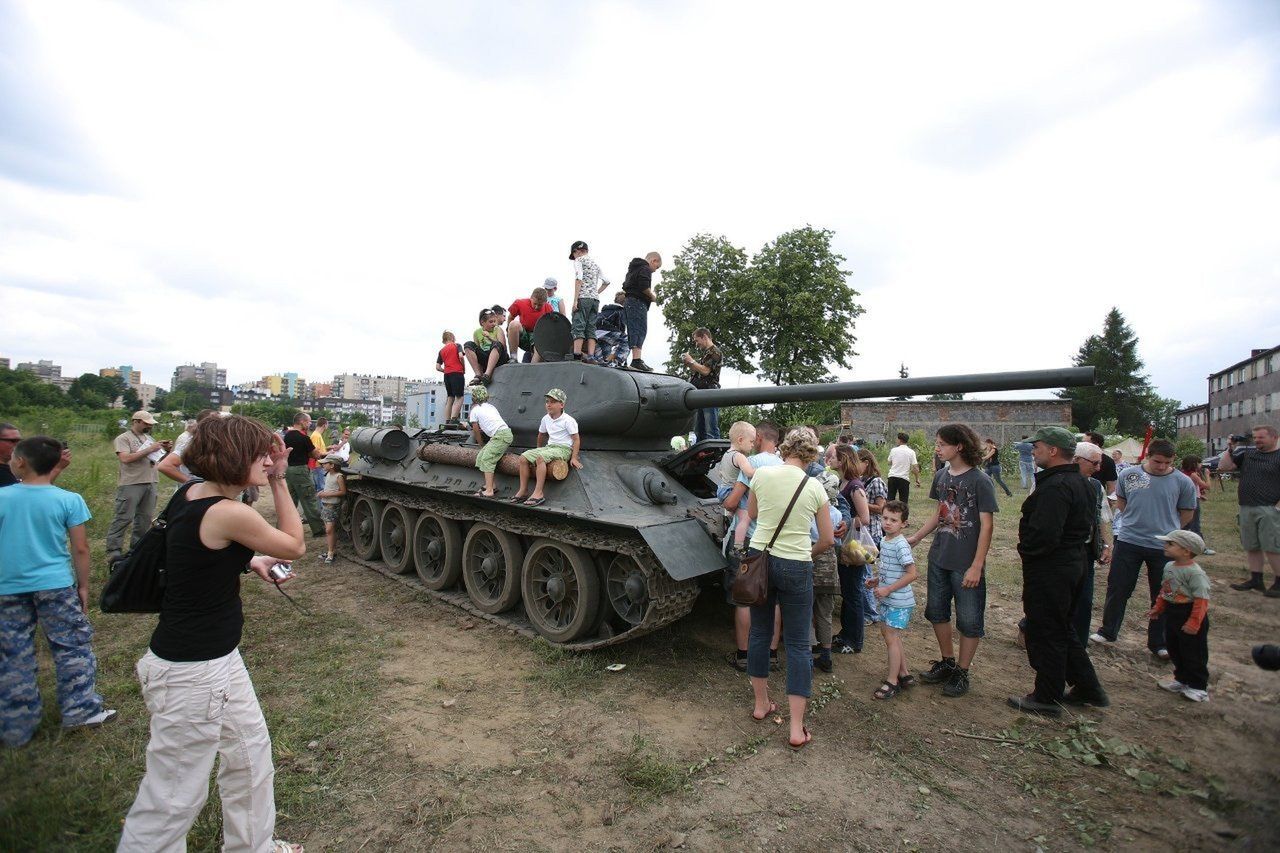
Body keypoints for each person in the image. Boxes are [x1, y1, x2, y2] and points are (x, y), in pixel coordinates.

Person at [117, 415, 305, 852]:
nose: (268, 459)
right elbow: (294, 544)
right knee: (173, 797)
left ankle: (253, 846)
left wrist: (246, 560)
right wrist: (279, 481)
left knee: (250, 756)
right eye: (260, 453)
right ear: (235, 456)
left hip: (217, 659)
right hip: (192, 673)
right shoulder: (228, 511)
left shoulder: (191, 493)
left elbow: (191, 552)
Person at [0, 436, 115, 747]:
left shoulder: (3, 497)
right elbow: (81, 548)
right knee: (72, 646)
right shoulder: (69, 499)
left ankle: (16, 725)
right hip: (54, 584)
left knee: (12, 652)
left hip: (7, 588)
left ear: (21, 463)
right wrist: (83, 586)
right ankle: (80, 710)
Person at [744, 428, 834, 750]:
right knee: (796, 643)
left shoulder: (762, 475)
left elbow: (752, 514)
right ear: (811, 456)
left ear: (784, 448)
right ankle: (796, 728)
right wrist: (802, 554)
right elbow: (826, 538)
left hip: (760, 560)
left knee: (759, 632)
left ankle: (761, 705)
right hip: (796, 563)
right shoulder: (814, 487)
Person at [1008, 427, 1106, 715]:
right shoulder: (1083, 483)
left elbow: (1044, 535)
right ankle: (1088, 686)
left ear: (1052, 450)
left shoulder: (1056, 486)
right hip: (1073, 564)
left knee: (1045, 630)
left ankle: (1047, 696)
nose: (1033, 451)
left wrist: (1027, 552)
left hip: (1051, 568)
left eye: (1036, 446)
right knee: (1062, 628)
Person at [907, 424, 997, 698]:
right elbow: (940, 513)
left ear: (959, 446)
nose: (937, 448)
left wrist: (977, 565)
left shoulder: (981, 481)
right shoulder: (942, 476)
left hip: (965, 562)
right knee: (936, 612)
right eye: (937, 443)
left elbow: (987, 525)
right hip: (939, 557)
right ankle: (947, 662)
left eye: (942, 443)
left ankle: (962, 670)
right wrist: (917, 538)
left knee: (969, 621)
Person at [1092, 439, 1197, 657]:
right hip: (1129, 541)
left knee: (1162, 593)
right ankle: (1108, 631)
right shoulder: (1129, 475)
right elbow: (1121, 501)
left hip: (1164, 547)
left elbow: (1187, 513)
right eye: (1158, 461)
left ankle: (1159, 643)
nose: (1162, 466)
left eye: (1167, 462)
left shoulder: (1182, 482)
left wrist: (1169, 529)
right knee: (1118, 587)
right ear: (1148, 456)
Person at [721, 422, 784, 671]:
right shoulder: (784, 466)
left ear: (757, 438)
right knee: (773, 598)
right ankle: (771, 654)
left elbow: (731, 502)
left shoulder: (754, 463)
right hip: (775, 538)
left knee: (745, 598)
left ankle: (744, 655)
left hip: (749, 538)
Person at [1147, 530, 1211, 702]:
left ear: (1186, 551)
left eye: (1170, 544)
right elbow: (1166, 590)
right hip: (1172, 613)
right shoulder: (1169, 567)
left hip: (1189, 613)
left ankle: (1198, 687)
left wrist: (1194, 622)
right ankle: (1182, 679)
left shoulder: (1195, 573)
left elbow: (1201, 600)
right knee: (1175, 648)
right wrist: (1158, 608)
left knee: (1194, 651)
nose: (1165, 546)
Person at [1218, 425, 1280, 596]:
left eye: (1261, 437)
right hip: (1246, 506)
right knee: (1251, 544)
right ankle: (1256, 579)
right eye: (1255, 437)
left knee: (1272, 546)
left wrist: (1278, 508)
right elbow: (1224, 467)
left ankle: (1278, 582)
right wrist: (1229, 447)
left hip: (1270, 508)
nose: (1257, 440)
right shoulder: (1247, 453)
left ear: (1274, 437)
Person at [105, 411, 171, 563]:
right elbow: (125, 458)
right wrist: (149, 449)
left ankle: (137, 549)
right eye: (146, 423)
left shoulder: (149, 439)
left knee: (145, 519)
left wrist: (166, 450)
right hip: (131, 482)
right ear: (136, 421)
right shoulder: (123, 438)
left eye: (150, 424)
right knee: (124, 517)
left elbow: (159, 459)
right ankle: (114, 551)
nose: (149, 426)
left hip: (151, 481)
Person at [868, 500, 917, 699]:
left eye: (894, 520)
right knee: (892, 637)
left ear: (903, 523)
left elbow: (912, 573)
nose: (887, 523)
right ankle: (904, 674)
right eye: (885, 518)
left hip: (899, 600)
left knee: (891, 637)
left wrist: (888, 589)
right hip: (889, 598)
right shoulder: (885, 541)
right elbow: (892, 570)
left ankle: (892, 681)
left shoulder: (900, 545)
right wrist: (878, 580)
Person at [832, 446, 874, 655]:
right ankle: (845, 633)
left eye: (833, 456)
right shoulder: (843, 483)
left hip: (853, 548)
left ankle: (855, 640)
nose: (828, 459)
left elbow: (865, 518)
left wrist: (846, 524)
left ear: (842, 460)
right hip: (845, 546)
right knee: (848, 592)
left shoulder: (855, 486)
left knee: (853, 594)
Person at [510, 389, 581, 507]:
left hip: (564, 449)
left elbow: (576, 439)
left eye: (553, 402)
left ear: (562, 404)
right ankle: (523, 491)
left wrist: (574, 457)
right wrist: (538, 449)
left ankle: (538, 493)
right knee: (523, 458)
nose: (549, 404)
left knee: (540, 458)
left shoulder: (568, 420)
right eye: (547, 401)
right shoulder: (545, 418)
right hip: (550, 447)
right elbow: (541, 435)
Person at [716, 422, 758, 555]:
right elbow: (749, 472)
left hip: (723, 489)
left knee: (736, 515)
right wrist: (764, 469)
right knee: (745, 517)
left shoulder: (726, 454)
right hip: (731, 491)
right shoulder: (739, 456)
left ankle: (727, 519)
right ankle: (738, 547)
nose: (753, 445)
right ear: (740, 440)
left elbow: (721, 472)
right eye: (751, 441)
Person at [283, 412, 326, 539]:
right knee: (309, 500)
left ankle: (283, 529)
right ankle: (318, 529)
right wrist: (323, 452)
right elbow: (315, 455)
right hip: (301, 470)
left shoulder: (287, 436)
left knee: (290, 501)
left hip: (289, 470)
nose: (309, 424)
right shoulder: (304, 438)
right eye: (308, 422)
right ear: (302, 422)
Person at [567, 241, 612, 362]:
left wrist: (575, 300)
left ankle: (576, 355)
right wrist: (596, 292)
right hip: (595, 300)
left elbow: (579, 278)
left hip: (583, 298)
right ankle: (591, 356)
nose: (574, 257)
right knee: (591, 327)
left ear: (577, 251)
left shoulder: (579, 261)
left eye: (574, 254)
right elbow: (607, 281)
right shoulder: (595, 264)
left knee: (579, 324)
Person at [467, 385, 513, 497]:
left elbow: (476, 430)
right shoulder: (491, 407)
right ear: (487, 397)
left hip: (501, 435)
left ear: (473, 398)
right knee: (481, 457)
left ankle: (489, 491)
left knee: (487, 459)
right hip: (501, 434)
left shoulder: (475, 410)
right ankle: (491, 485)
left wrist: (481, 443)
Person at [621, 251, 662, 372]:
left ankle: (636, 359)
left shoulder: (633, 269)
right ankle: (636, 360)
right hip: (637, 302)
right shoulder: (645, 268)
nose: (655, 270)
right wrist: (653, 297)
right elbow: (644, 287)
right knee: (639, 330)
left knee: (634, 329)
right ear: (653, 260)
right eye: (657, 266)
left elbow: (625, 285)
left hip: (630, 302)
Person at [0, 422, 70, 488]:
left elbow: (35, 488)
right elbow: (30, 494)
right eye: (12, 441)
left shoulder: (14, 467)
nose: (18, 445)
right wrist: (57, 468)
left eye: (20, 441)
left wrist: (57, 467)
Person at [158, 410, 219, 484]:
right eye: (215, 420)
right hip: (195, 491)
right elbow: (165, 466)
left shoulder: (213, 441)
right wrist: (191, 482)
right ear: (203, 423)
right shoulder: (191, 441)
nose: (220, 423)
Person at [683, 328, 723, 441]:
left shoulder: (715, 352)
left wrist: (691, 361)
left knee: (710, 429)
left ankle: (714, 454)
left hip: (709, 392)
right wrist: (690, 364)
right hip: (701, 392)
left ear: (704, 337)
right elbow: (699, 372)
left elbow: (706, 371)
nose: (696, 344)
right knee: (698, 429)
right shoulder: (707, 353)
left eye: (697, 340)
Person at [507, 287, 555, 363]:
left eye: (539, 305)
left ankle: (533, 367)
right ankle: (513, 358)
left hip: (538, 336)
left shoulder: (548, 308)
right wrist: (510, 332)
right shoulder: (520, 303)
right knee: (513, 324)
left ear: (545, 302)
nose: (536, 307)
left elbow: (551, 327)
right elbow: (510, 317)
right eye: (535, 303)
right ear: (531, 298)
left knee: (541, 344)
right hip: (524, 334)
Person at [464, 308, 509, 386]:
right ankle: (478, 375)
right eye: (491, 322)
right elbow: (476, 352)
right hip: (486, 356)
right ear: (482, 322)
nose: (494, 324)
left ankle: (487, 375)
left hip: (499, 356)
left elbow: (503, 346)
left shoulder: (497, 329)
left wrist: (489, 338)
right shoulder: (477, 333)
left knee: (497, 344)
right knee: (468, 345)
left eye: (494, 321)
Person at [315, 455, 346, 564]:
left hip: (333, 505)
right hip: (326, 504)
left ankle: (331, 552)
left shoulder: (339, 476)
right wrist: (322, 493)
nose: (323, 465)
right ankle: (331, 550)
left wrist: (326, 494)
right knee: (329, 530)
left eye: (325, 463)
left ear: (332, 465)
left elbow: (343, 491)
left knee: (329, 530)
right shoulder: (328, 474)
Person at [436, 332, 467, 425]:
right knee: (460, 397)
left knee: (450, 398)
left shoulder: (441, 351)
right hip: (457, 373)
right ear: (452, 338)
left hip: (447, 375)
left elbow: (437, 367)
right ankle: (454, 420)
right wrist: (463, 368)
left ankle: (447, 420)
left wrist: (445, 370)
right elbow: (461, 356)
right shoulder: (457, 345)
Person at [594, 291, 629, 368]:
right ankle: (616, 359)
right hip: (607, 331)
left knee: (605, 349)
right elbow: (621, 328)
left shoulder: (606, 310)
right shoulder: (621, 311)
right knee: (627, 340)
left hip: (595, 334)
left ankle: (603, 361)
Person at [885, 432, 920, 503]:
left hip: (892, 476)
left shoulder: (893, 450)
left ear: (899, 440)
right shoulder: (911, 452)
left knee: (890, 499)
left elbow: (889, 462)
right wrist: (917, 479)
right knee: (903, 501)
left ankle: (888, 513)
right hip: (904, 478)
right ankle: (903, 514)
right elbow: (915, 468)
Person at [1086, 431, 1118, 496]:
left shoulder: (1108, 461)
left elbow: (1111, 486)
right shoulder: (1078, 458)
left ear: (1096, 445)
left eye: (1085, 443)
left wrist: (1108, 502)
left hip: (1096, 497)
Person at [308, 417, 329, 494]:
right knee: (320, 488)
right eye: (327, 425)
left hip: (318, 465)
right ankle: (319, 506)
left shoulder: (317, 435)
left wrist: (328, 448)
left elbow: (318, 449)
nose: (327, 427)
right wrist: (330, 453)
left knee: (320, 487)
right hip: (317, 466)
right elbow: (315, 453)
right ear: (324, 425)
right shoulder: (316, 436)